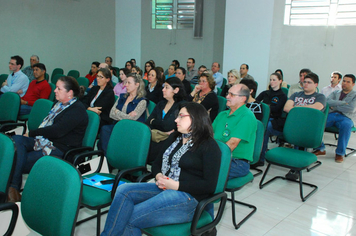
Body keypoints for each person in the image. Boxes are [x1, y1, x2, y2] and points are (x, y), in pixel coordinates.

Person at [101, 102, 221, 236]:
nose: (176, 120)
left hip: (189, 198)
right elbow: (157, 163)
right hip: (164, 187)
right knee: (123, 190)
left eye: (181, 116)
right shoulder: (175, 137)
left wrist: (176, 185)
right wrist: (158, 176)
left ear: (196, 118)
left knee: (129, 217)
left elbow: (209, 185)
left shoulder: (209, 146)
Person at [8, 76, 88, 202]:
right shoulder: (58, 104)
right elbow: (48, 127)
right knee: (17, 140)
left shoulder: (77, 110)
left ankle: (12, 188)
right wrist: (33, 135)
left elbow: (56, 131)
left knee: (17, 159)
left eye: (58, 88)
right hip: (44, 140)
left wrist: (32, 133)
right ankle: (13, 189)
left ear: (70, 93)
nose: (55, 90)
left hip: (60, 148)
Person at [281, 73, 326, 180]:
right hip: (294, 123)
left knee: (301, 134)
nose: (305, 84)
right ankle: (294, 164)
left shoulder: (320, 97)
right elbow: (287, 108)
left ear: (316, 84)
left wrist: (296, 108)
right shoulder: (296, 94)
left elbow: (317, 107)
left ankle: (295, 168)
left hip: (309, 126)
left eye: (309, 82)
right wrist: (305, 109)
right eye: (304, 82)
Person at [213, 84, 257, 179]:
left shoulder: (247, 116)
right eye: (228, 94)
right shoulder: (222, 114)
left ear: (242, 99)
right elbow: (209, 135)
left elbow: (232, 144)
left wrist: (211, 157)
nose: (227, 97)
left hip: (237, 162)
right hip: (219, 155)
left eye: (232, 95)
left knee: (205, 172)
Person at [98, 73, 147, 155]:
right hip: (118, 125)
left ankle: (109, 159)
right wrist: (126, 116)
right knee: (105, 129)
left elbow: (132, 120)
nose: (126, 85)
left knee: (109, 133)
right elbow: (111, 113)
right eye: (126, 82)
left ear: (137, 85)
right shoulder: (122, 97)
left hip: (132, 128)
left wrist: (118, 113)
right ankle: (106, 157)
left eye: (129, 83)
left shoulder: (142, 101)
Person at [314, 74, 356, 163]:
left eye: (348, 82)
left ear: (353, 84)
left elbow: (351, 108)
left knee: (346, 125)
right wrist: (343, 104)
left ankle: (340, 153)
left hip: (346, 117)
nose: (345, 83)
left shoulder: (355, 95)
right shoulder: (335, 93)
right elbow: (327, 102)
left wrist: (335, 106)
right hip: (332, 114)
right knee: (317, 122)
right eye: (344, 81)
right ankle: (320, 148)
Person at [146, 77, 186, 163]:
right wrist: (156, 123)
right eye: (164, 87)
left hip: (170, 140)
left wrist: (154, 122)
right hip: (155, 136)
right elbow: (148, 121)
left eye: (167, 87)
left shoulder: (181, 106)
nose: (163, 90)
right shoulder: (161, 104)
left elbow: (169, 126)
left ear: (176, 90)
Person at [256, 73, 288, 166]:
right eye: (270, 80)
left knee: (265, 128)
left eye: (274, 80)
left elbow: (276, 109)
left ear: (280, 81)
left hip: (274, 120)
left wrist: (266, 107)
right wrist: (268, 107)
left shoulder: (282, 96)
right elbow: (256, 104)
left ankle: (261, 158)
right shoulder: (265, 93)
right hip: (263, 117)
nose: (272, 82)